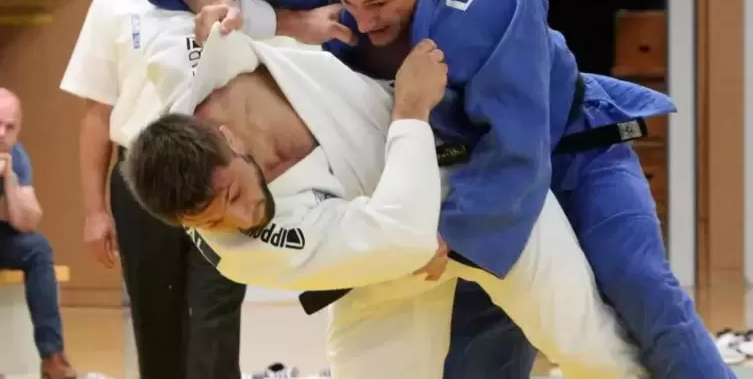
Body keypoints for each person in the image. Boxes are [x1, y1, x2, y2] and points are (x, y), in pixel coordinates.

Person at [137, 0, 732, 379]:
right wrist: (238, 2)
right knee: (477, 363)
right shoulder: (239, 243)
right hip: (437, 195)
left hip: (559, 153)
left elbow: (518, 151)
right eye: (348, 2)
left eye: (379, 4)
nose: (362, 21)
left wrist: (453, 228)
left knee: (638, 293)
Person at [124, 24, 645, 378]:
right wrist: (411, 109)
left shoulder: (198, 65)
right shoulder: (242, 252)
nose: (240, 219)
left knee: (584, 343)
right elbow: (401, 237)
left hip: (481, 190)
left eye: (232, 195)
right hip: (387, 267)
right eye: (212, 223)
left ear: (225, 138)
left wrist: (278, 12)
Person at [57, 0, 274, 378]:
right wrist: (94, 211)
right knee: (156, 329)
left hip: (226, 176)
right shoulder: (114, 0)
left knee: (216, 324)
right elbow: (97, 112)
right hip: (142, 183)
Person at [0, 88, 77, 379]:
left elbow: (27, 220)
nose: (2, 133)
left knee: (37, 247)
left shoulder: (16, 156)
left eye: (10, 127)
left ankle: (52, 357)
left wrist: (10, 181)